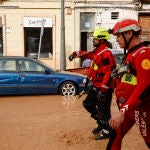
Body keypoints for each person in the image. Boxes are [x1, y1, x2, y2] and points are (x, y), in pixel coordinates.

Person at [106, 19, 150, 150]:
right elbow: (127, 81)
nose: (117, 39)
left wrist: (122, 111)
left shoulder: (144, 53)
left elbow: (145, 86)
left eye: (119, 35)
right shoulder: (129, 55)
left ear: (129, 33)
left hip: (142, 110)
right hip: (128, 109)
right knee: (115, 136)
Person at [69, 27, 116, 140]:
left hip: (103, 88)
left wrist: (104, 90)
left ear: (102, 40)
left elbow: (108, 72)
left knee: (103, 110)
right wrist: (75, 54)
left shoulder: (106, 54)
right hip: (95, 85)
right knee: (88, 104)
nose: (92, 40)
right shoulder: (98, 51)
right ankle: (102, 123)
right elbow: (87, 54)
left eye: (95, 39)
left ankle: (107, 132)